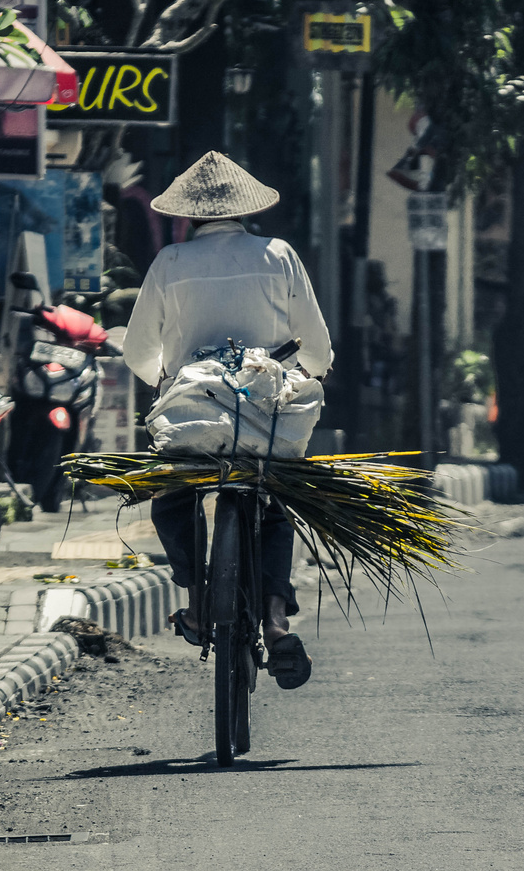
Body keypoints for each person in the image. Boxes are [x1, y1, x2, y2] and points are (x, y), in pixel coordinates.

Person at [123, 151, 332, 690]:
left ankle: (196, 604)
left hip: (193, 416)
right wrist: (308, 373)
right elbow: (317, 349)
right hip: (264, 416)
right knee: (275, 499)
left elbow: (139, 352)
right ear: (247, 211)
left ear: (188, 216)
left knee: (173, 498)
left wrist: (162, 379)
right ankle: (277, 619)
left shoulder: (170, 261)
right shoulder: (279, 254)